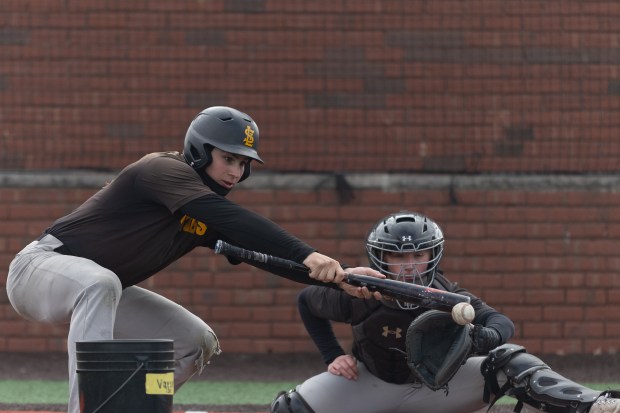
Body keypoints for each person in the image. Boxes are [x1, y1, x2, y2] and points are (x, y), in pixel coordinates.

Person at [5, 106, 382, 413]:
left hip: (100, 290)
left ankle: (141, 402)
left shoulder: (204, 210)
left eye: (244, 163)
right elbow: (236, 221)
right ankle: (86, 409)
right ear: (200, 151)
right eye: (228, 159)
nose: (236, 171)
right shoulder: (163, 170)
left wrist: (339, 278)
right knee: (99, 282)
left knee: (193, 340)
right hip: (38, 270)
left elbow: (264, 255)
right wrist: (308, 252)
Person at [270, 211, 619, 413]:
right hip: (372, 382)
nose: (408, 266)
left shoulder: (449, 295)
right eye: (398, 256)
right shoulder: (359, 290)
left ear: (432, 255)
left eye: (417, 256)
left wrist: (485, 336)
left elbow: (502, 323)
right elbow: (307, 302)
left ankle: (593, 405)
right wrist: (332, 355)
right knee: (288, 409)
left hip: (439, 392)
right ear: (381, 258)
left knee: (511, 360)